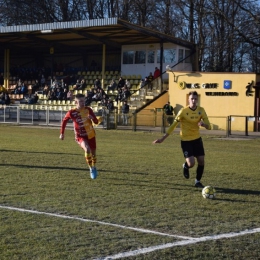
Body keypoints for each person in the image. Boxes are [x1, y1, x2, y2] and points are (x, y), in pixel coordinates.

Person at [153, 91, 211, 188]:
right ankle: (185, 166)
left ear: (197, 100)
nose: (194, 101)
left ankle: (197, 181)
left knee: (201, 161)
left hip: (197, 139)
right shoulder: (183, 111)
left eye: (195, 99)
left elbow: (209, 127)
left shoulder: (201, 110)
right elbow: (173, 126)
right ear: (188, 99)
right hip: (186, 140)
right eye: (192, 98)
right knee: (191, 163)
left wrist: (203, 124)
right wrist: (163, 138)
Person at [60, 94, 103, 179]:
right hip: (80, 136)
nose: (83, 103)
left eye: (84, 100)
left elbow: (96, 122)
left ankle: (94, 166)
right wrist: (62, 133)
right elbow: (64, 121)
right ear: (76, 102)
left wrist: (92, 118)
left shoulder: (88, 110)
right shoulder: (71, 112)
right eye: (81, 101)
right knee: (87, 149)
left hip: (91, 135)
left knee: (93, 154)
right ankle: (91, 168)